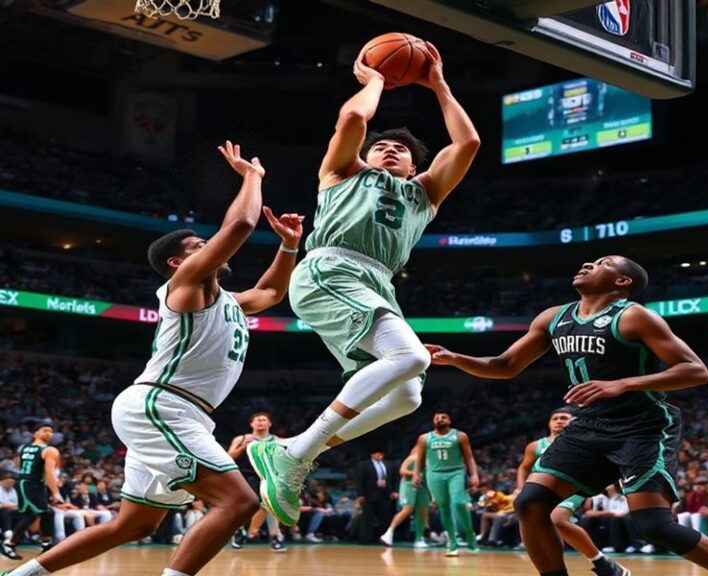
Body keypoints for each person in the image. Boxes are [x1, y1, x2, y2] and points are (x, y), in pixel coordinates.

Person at [0, 141, 303, 576]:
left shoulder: (228, 300)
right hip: (162, 405)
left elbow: (272, 292)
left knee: (135, 524)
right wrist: (252, 177)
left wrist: (289, 246)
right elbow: (239, 225)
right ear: (179, 262)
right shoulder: (186, 285)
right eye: (200, 244)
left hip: (178, 412)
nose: (209, 246)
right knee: (238, 501)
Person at [249, 41, 480, 527]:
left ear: (414, 168)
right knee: (412, 357)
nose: (390, 148)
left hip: (376, 282)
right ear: (365, 156)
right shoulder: (341, 172)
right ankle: (294, 456)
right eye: (382, 146)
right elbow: (353, 123)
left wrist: (437, 83)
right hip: (330, 268)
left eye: (400, 149)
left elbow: (467, 145)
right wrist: (375, 78)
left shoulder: (425, 194)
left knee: (408, 394)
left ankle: (293, 450)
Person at [426, 255, 708, 576]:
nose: (587, 265)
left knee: (654, 525)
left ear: (621, 281)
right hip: (588, 426)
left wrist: (622, 384)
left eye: (602, 264)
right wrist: (455, 357)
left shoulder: (634, 317)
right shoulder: (554, 317)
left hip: (641, 426)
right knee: (530, 503)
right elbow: (505, 366)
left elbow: (696, 371)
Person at [517, 408, 629, 576]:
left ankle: (600, 560)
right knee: (531, 514)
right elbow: (524, 467)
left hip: (572, 486)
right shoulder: (535, 446)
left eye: (564, 418)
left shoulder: (581, 442)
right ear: (549, 423)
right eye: (555, 418)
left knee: (556, 519)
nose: (559, 421)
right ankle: (602, 563)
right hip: (544, 489)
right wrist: (520, 487)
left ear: (575, 422)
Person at [413, 412, 479, 556]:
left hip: (455, 472)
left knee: (458, 503)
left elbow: (469, 457)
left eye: (443, 417)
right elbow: (420, 458)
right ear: (433, 422)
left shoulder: (460, 436)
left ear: (449, 420)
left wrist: (474, 474)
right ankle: (452, 542)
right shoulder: (424, 438)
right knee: (444, 507)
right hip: (434, 474)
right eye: (436, 418)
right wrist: (416, 474)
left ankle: (469, 533)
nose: (439, 419)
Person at [1, 424, 62, 560]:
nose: (49, 434)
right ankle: (9, 543)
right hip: (31, 484)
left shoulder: (23, 448)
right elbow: (49, 473)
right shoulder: (50, 450)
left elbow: (19, 465)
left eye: (51, 431)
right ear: (35, 433)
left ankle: (46, 544)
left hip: (29, 483)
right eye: (45, 430)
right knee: (34, 514)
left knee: (45, 513)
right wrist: (56, 492)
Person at [227, 412, 286, 552]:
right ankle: (241, 531)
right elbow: (228, 457)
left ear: (269, 424)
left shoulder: (277, 440)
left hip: (267, 477)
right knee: (247, 507)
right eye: (257, 420)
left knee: (271, 505)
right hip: (245, 477)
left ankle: (274, 537)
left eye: (263, 420)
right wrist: (243, 446)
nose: (260, 422)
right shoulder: (241, 438)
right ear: (251, 424)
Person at [379, 444, 430, 548]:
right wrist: (415, 474)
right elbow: (402, 471)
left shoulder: (429, 460)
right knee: (407, 509)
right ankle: (388, 533)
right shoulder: (413, 457)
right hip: (408, 485)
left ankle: (419, 538)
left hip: (423, 486)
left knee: (422, 510)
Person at [355, 449, 398, 544]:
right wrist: (360, 495)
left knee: (385, 518)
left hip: (385, 494)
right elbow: (359, 481)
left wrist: (394, 491)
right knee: (367, 518)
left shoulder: (389, 464)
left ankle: (384, 538)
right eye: (378, 453)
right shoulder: (363, 465)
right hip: (368, 495)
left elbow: (394, 479)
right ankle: (365, 539)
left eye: (381, 453)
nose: (380, 455)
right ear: (372, 454)